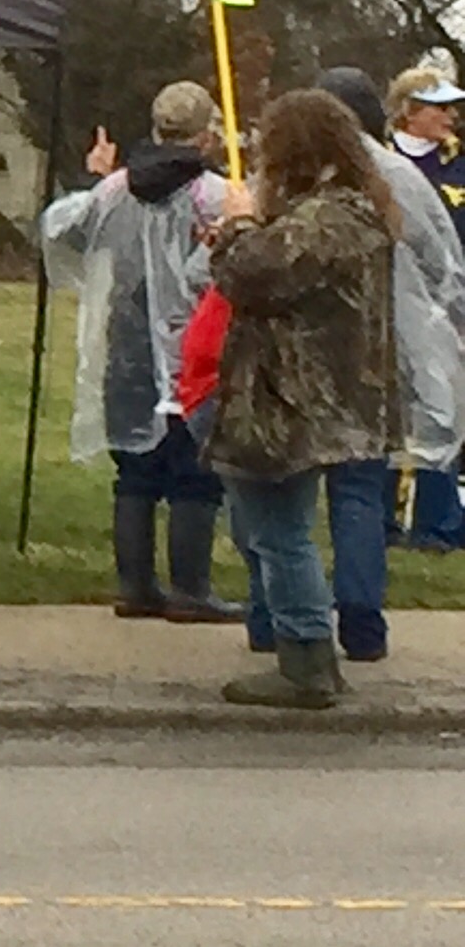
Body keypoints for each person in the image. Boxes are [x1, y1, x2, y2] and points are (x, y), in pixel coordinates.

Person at [207, 88, 400, 709]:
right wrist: (247, 230)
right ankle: (302, 647)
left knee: (279, 530)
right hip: (309, 389)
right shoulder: (344, 211)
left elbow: (253, 276)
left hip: (292, 394)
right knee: (274, 527)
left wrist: (239, 224)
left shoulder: (332, 216)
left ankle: (306, 656)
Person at [39, 82, 239, 622]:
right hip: (196, 350)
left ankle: (135, 585)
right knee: (195, 474)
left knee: (135, 470)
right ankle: (191, 588)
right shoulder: (218, 195)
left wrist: (95, 177)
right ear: (206, 134)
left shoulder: (114, 190)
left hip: (127, 347)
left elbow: (65, 228)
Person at [296, 68, 462, 664]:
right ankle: (362, 624)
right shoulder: (396, 178)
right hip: (373, 355)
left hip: (303, 355)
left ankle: (283, 620)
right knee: (359, 490)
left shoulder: (293, 175)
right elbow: (443, 264)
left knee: (286, 497)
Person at [383, 64, 465, 551]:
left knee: (441, 410)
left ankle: (438, 527)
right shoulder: (380, 162)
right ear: (409, 112)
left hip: (446, 308)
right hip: (388, 303)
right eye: (440, 106)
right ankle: (384, 524)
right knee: (388, 417)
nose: (451, 115)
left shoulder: (458, 164)